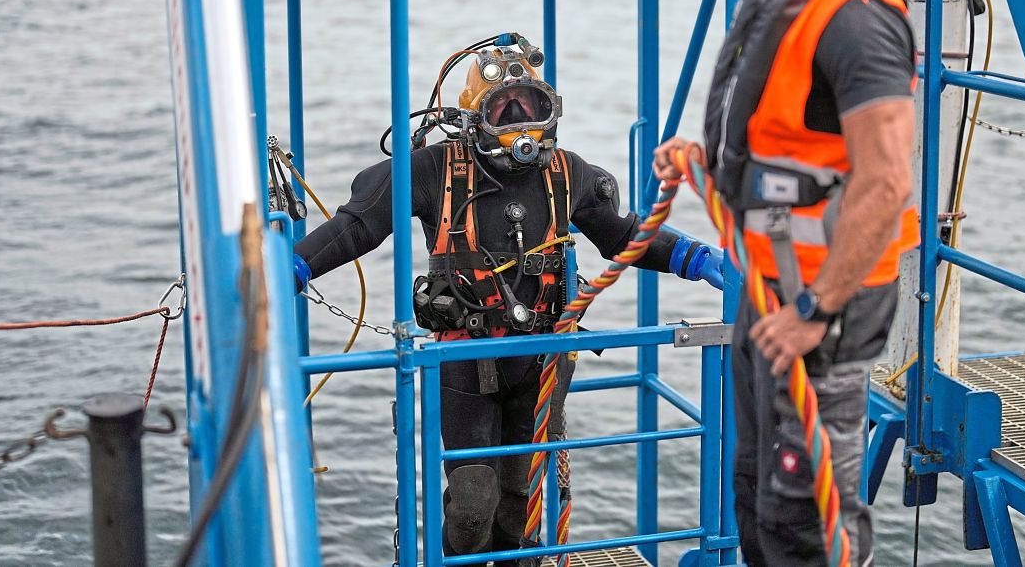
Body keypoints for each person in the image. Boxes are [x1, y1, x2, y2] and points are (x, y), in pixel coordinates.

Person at [291, 33, 725, 565]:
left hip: (540, 359)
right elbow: (359, 226)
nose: (521, 123)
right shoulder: (434, 171)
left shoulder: (567, 173)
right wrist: (297, 264)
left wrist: (697, 259)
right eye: (504, 109)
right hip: (465, 358)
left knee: (520, 499)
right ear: (476, 119)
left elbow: (624, 233)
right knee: (472, 504)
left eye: (532, 107)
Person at [654, 0, 918, 567]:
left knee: (808, 523)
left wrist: (814, 309)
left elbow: (886, 180)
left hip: (821, 309)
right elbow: (790, 139)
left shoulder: (856, 15)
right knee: (756, 496)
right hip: (772, 287)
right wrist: (705, 165)